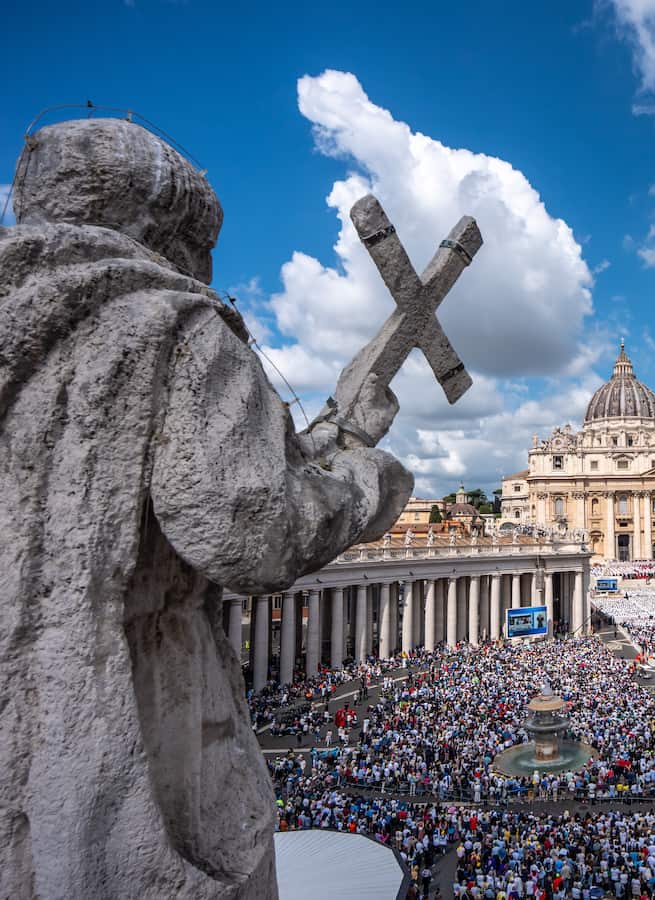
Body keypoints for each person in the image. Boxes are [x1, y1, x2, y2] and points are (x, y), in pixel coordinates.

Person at [0, 117, 413, 898]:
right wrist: (371, 474)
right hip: (119, 710)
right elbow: (254, 530)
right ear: (169, 233)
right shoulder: (168, 323)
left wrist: (337, 426)